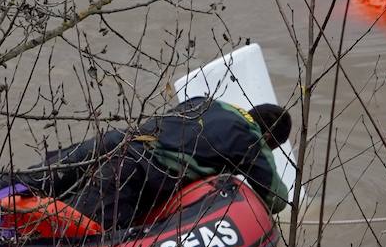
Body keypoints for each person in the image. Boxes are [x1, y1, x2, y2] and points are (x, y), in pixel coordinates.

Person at [35, 97, 292, 231]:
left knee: (34, 183)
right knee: (65, 231)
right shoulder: (251, 138)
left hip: (114, 140)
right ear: (269, 137)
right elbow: (277, 199)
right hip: (132, 170)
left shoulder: (207, 101)